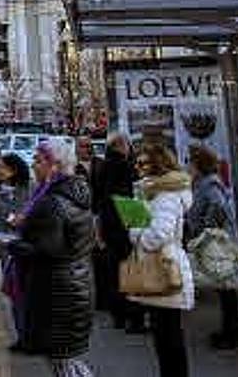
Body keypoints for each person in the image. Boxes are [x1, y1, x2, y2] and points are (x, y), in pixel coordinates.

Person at [9, 139, 95, 376]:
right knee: (65, 360)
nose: (33, 164)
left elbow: (46, 250)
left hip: (57, 293)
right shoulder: (75, 193)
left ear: (55, 166)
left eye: (38, 160)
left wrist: (13, 245)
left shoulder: (51, 201)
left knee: (64, 363)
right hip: (75, 286)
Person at [128, 142, 194, 377]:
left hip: (164, 265)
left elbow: (158, 234)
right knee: (165, 332)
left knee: (168, 334)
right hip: (161, 264)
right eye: (136, 162)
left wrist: (135, 233)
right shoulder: (154, 192)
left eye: (142, 163)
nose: (137, 167)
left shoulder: (165, 195)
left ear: (157, 166)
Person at [186, 144, 238, 349]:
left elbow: (217, 206)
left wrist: (206, 227)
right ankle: (229, 330)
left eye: (190, 162)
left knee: (226, 291)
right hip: (215, 241)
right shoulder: (203, 183)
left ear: (199, 164)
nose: (188, 166)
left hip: (217, 243)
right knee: (224, 290)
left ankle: (232, 334)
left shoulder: (209, 184)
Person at [92, 133, 145, 333]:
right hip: (127, 223)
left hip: (108, 223)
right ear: (123, 147)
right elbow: (133, 197)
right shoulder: (128, 168)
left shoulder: (102, 167)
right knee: (131, 269)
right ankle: (134, 317)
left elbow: (97, 199)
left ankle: (118, 315)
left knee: (114, 271)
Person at [0, 154, 32, 349]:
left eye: (2, 167)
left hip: (26, 251)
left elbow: (32, 217)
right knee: (14, 295)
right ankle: (21, 337)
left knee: (26, 295)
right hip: (7, 251)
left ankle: (30, 336)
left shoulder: (29, 189)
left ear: (13, 170)